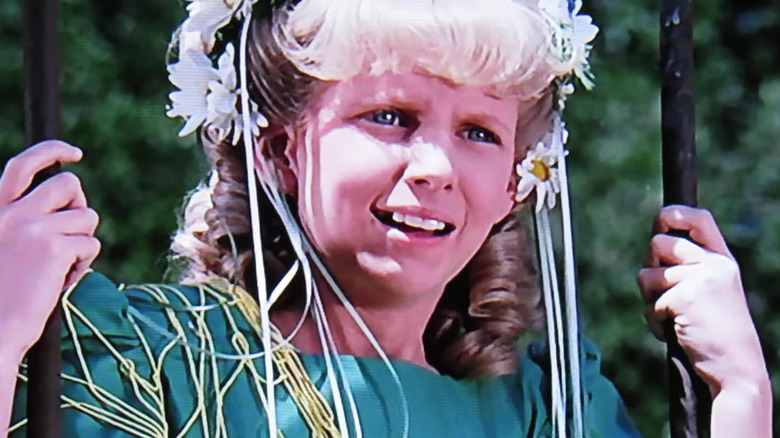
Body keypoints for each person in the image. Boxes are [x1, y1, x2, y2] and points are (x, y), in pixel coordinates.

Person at [0, 0, 771, 436]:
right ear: (278, 149)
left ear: (514, 183)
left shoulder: (550, 413)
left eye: (479, 132)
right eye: (392, 116)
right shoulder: (154, 361)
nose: (436, 166)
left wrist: (741, 393)